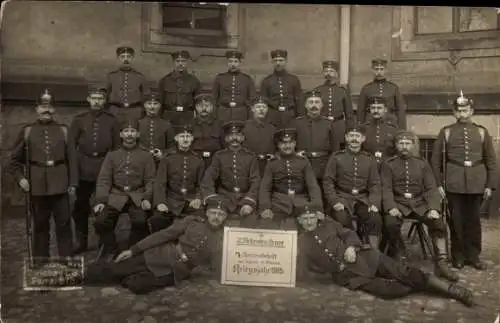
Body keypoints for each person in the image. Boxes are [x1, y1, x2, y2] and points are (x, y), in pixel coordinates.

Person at [296, 208, 474, 307]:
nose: (310, 221)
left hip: (364, 257)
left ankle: (453, 291)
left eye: (312, 217)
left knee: (403, 272)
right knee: (389, 291)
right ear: (300, 221)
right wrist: (331, 272)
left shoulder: (329, 225)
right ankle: (423, 283)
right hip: (350, 277)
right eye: (306, 219)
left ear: (317, 218)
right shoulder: (301, 242)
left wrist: (351, 247)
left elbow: (348, 233)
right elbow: (306, 270)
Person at [79, 199, 228, 295]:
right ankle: (75, 275)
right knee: (115, 269)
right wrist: (133, 249)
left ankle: (125, 278)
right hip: (159, 255)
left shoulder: (225, 237)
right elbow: (163, 235)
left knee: (137, 286)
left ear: (225, 217)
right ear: (207, 213)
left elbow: (223, 261)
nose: (216, 217)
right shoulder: (192, 221)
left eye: (221, 214)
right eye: (213, 213)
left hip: (176, 272)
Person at [431, 92, 496, 270]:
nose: (462, 114)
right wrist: (438, 184)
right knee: (456, 220)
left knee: (474, 221)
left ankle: (473, 256)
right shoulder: (446, 132)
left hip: (477, 181)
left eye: (465, 110)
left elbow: (490, 160)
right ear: (454, 113)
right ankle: (458, 256)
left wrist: (490, 185)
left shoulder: (482, 132)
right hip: (454, 182)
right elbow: (435, 161)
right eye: (459, 110)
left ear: (471, 111)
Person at [10, 89, 76, 265]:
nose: (46, 110)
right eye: (42, 106)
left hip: (60, 182)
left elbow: (72, 159)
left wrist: (73, 183)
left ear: (54, 109)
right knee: (39, 224)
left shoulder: (63, 130)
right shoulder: (27, 131)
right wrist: (20, 179)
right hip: (36, 184)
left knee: (63, 223)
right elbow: (14, 161)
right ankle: (40, 258)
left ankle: (66, 256)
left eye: (49, 106)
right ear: (36, 109)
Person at [380, 130, 458, 282]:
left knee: (437, 223)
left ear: (413, 145)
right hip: (399, 203)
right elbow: (386, 189)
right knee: (390, 223)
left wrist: (433, 208)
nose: (404, 147)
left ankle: (441, 261)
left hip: (419, 204)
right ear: (396, 145)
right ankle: (399, 253)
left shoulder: (422, 164)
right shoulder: (388, 164)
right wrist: (391, 207)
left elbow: (431, 188)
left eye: (407, 143)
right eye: (401, 143)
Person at [93, 119, 156, 260]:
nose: (129, 135)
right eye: (126, 131)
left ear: (138, 134)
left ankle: (132, 252)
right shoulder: (112, 155)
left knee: (140, 221)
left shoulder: (146, 156)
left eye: (133, 131)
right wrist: (102, 200)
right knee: (101, 222)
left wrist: (146, 198)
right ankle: (111, 248)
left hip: (137, 196)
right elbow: (104, 179)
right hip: (116, 195)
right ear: (121, 134)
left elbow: (151, 180)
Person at [68, 85, 121, 254]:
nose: (97, 101)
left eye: (100, 98)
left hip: (104, 167)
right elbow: (71, 147)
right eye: (94, 98)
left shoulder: (111, 120)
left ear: (105, 101)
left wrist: (113, 171)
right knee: (80, 207)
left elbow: (116, 148)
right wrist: (74, 176)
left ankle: (104, 242)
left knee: (104, 206)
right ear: (88, 99)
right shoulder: (79, 120)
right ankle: (81, 241)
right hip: (83, 167)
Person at [322, 124, 382, 249]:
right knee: (342, 218)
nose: (354, 139)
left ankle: (372, 252)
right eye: (351, 136)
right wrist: (334, 201)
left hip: (362, 198)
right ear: (346, 138)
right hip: (342, 197)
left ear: (363, 139)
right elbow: (328, 181)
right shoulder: (337, 157)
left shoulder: (369, 159)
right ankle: (350, 248)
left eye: (357, 136)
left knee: (374, 219)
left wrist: (374, 203)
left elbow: (375, 183)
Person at [258, 128, 323, 230]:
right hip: (279, 202)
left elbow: (312, 186)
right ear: (278, 145)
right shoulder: (272, 163)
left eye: (290, 142)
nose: (287, 146)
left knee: (311, 225)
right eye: (283, 143)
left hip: (301, 201)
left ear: (295, 143)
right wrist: (265, 207)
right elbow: (265, 187)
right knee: (268, 225)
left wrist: (317, 207)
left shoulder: (303, 161)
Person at [201, 121, 260, 227]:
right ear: (226, 138)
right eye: (231, 135)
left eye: (238, 135)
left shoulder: (251, 156)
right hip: (224, 197)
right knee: (216, 222)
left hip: (244, 197)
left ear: (242, 137)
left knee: (251, 222)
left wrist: (249, 202)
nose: (234, 138)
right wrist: (212, 197)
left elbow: (255, 181)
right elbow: (209, 178)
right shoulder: (219, 156)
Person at [149, 124, 205, 232]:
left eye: (188, 136)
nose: (185, 139)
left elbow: (201, 183)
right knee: (158, 220)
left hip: (190, 200)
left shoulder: (198, 160)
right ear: (176, 139)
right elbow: (160, 183)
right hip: (171, 200)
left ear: (192, 139)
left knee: (200, 220)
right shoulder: (167, 159)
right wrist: (160, 202)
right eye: (182, 136)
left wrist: (198, 198)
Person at [292, 90, 340, 183]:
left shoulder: (329, 124)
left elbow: (335, 150)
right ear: (305, 105)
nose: (314, 105)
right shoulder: (297, 123)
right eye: (311, 102)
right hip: (302, 164)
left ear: (322, 105)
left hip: (324, 166)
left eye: (317, 102)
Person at [313, 60, 354, 149]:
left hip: (338, 125)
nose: (328, 73)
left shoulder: (342, 91)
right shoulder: (318, 90)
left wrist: (349, 131)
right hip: (322, 125)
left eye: (331, 71)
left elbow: (349, 114)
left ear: (336, 73)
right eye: (326, 71)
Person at [357, 58, 406, 129]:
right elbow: (361, 111)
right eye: (376, 69)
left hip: (389, 123)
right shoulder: (366, 88)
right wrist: (360, 128)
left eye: (381, 69)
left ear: (386, 70)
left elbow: (400, 110)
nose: (379, 72)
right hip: (371, 124)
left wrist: (401, 129)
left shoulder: (393, 88)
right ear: (372, 70)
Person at [106, 46, 150, 124]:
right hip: (115, 111)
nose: (126, 59)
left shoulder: (140, 77)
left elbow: (146, 97)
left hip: (134, 112)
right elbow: (106, 95)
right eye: (122, 57)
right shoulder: (111, 76)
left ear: (132, 58)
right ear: (118, 58)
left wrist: (142, 113)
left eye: (128, 56)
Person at [260, 49, 303, 129]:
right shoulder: (267, 81)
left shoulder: (293, 80)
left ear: (286, 61)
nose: (278, 63)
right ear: (272, 62)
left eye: (281, 60)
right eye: (275, 61)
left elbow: (299, 100)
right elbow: (263, 101)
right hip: (272, 116)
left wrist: (300, 117)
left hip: (290, 116)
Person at [212, 50, 256, 124]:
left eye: (235, 61)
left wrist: (249, 116)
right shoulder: (220, 78)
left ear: (239, 63)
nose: (233, 64)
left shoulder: (247, 79)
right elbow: (214, 98)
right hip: (223, 113)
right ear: (228, 63)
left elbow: (252, 99)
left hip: (241, 113)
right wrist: (215, 114)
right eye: (230, 61)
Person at [159, 51, 201, 125]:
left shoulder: (194, 81)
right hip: (169, 116)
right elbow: (160, 102)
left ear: (187, 62)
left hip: (187, 116)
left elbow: (198, 103)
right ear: (173, 62)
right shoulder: (165, 81)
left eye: (183, 61)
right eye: (177, 61)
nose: (180, 64)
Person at [138, 88, 175, 164]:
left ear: (160, 106)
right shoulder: (138, 123)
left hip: (160, 162)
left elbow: (172, 147)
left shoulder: (166, 125)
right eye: (149, 103)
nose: (152, 107)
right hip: (141, 162)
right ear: (144, 105)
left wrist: (162, 154)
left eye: (155, 104)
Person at [242, 96, 276, 176]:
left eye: (264, 107)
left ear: (267, 109)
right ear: (252, 109)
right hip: (249, 166)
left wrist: (274, 155)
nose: (261, 109)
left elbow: (277, 147)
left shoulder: (273, 128)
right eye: (258, 107)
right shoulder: (244, 127)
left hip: (268, 166)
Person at [190, 93, 225, 171]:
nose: (204, 108)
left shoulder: (219, 124)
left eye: (207, 106)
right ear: (196, 107)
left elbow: (224, 145)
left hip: (214, 159)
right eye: (200, 106)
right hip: (196, 159)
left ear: (212, 107)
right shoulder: (190, 124)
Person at [362, 96, 399, 163]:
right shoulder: (364, 128)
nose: (376, 111)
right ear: (370, 109)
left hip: (388, 164)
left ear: (385, 109)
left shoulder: (393, 129)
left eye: (379, 108)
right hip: (368, 164)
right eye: (373, 108)